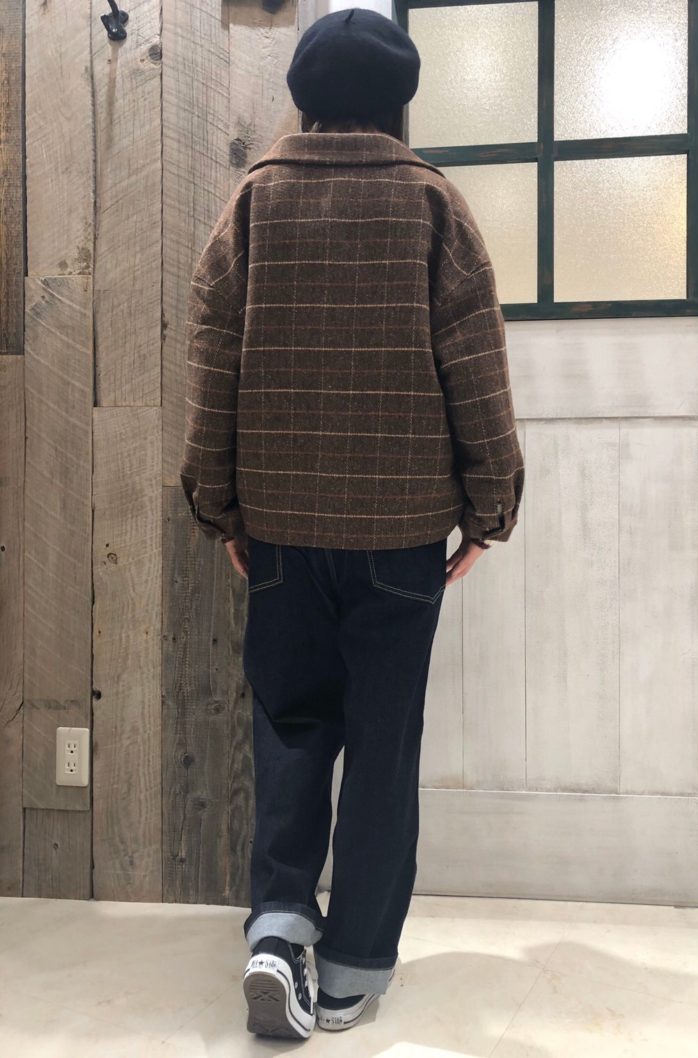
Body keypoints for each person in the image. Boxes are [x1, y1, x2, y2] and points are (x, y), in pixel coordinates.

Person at [179, 6, 524, 1040]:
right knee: (382, 747)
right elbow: (477, 367)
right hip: (400, 538)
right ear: (397, 101)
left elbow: (212, 357)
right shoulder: (432, 204)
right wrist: (491, 508)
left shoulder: (254, 202)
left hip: (281, 532)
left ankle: (278, 930)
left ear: (304, 97)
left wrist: (218, 502)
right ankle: (352, 970)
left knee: (291, 732)